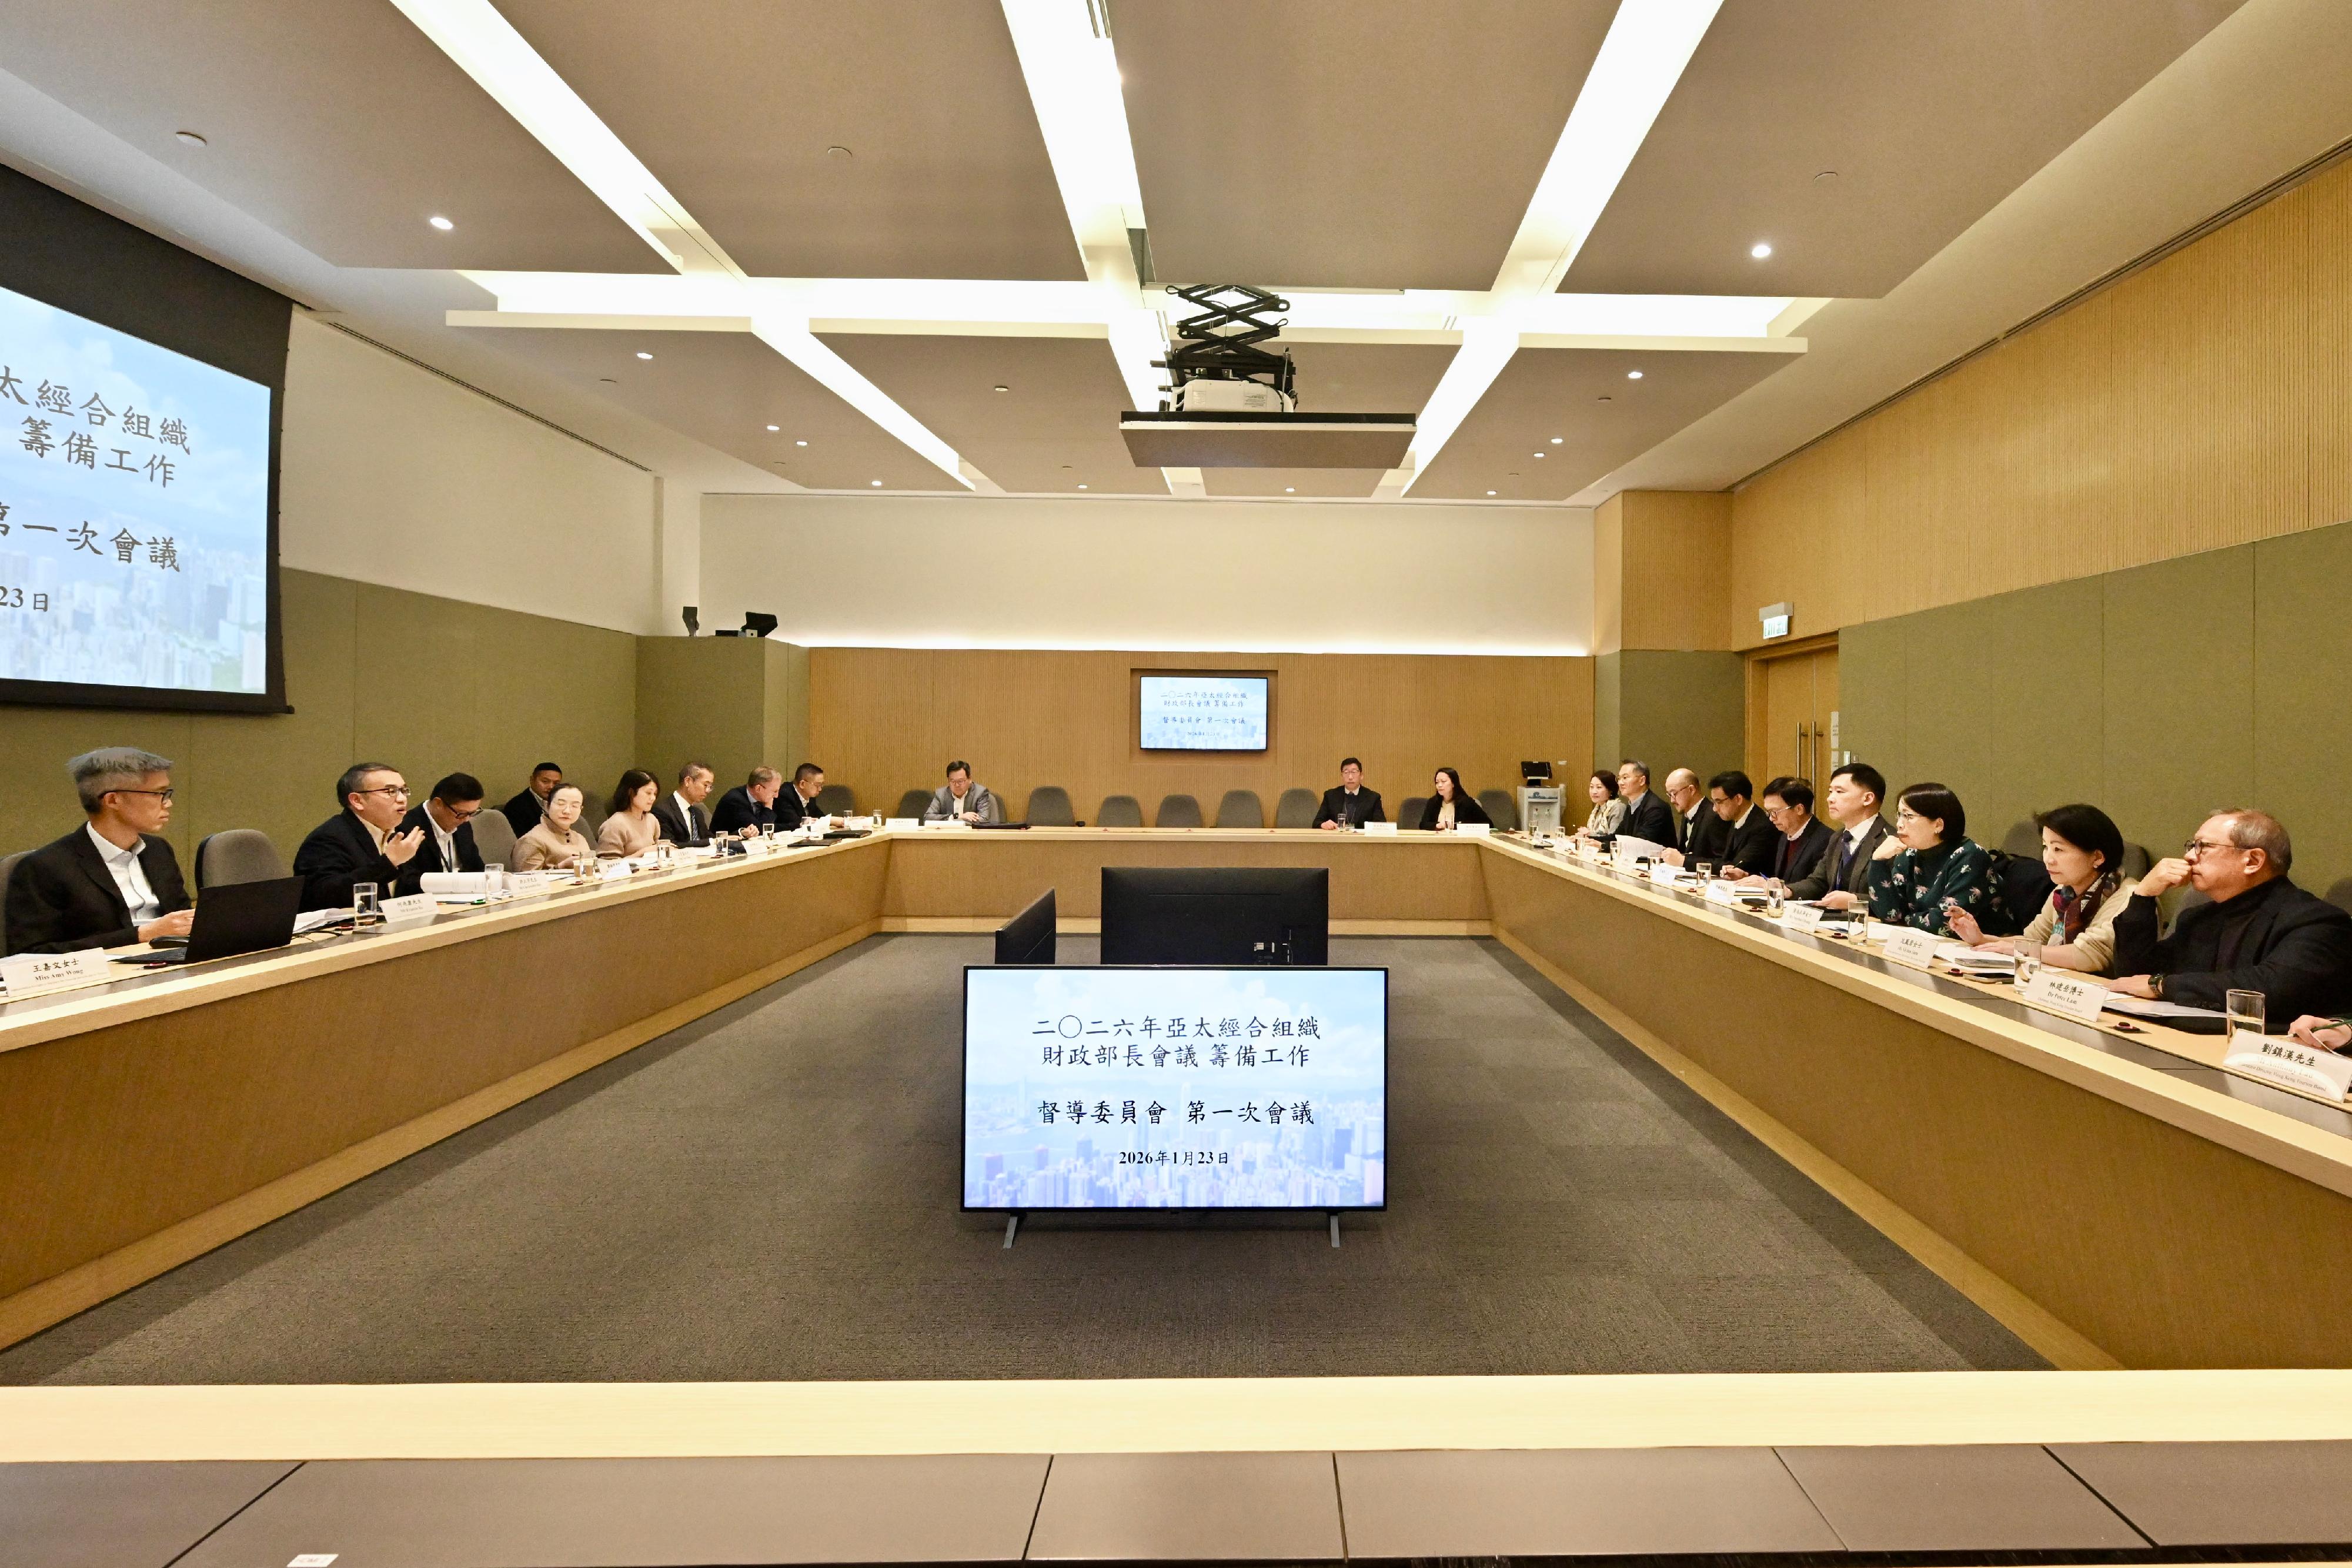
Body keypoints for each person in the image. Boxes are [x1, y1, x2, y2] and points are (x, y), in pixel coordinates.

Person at [2106, 810, 2352, 1018]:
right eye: (2192, 846)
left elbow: (2271, 989)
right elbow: (2132, 976)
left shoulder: (2317, 920)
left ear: (2253, 860)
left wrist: (2162, 985)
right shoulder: (2199, 918)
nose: (2189, 856)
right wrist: (2144, 896)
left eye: (2204, 847)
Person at [4, 747, 194, 955]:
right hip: (101, 978)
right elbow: (32, 953)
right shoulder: (44, 868)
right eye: (158, 793)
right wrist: (140, 934)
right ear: (113, 800)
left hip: (171, 962)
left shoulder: (158, 850)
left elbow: (183, 917)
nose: (168, 802)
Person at [1949, 803, 2129, 974]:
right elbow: (2033, 940)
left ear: (2097, 857)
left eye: (2058, 849)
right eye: (2046, 847)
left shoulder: (2128, 897)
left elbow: (2089, 955)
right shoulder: (2064, 892)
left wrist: (2019, 949)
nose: (2048, 859)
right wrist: (1982, 939)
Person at [1865, 781, 1995, 935]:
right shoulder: (1909, 853)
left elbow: (1945, 923)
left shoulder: (1970, 856)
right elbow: (1891, 915)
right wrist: (1878, 862)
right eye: (1899, 815)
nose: (1899, 824)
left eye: (1908, 816)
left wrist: (1905, 918)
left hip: (1979, 951)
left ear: (1938, 825)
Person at [292, 763, 427, 911]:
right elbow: (323, 896)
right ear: (357, 801)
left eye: (403, 790)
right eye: (391, 791)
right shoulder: (328, 838)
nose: (402, 799)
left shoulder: (397, 834)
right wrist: (389, 863)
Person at [1786, 761, 1892, 908]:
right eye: (1831, 792)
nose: (1830, 799)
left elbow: (1896, 901)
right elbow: (1819, 882)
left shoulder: (1889, 840)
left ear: (1868, 799)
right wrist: (1787, 891)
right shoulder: (1838, 837)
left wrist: (1855, 900)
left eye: (1840, 792)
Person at [392, 773, 487, 895]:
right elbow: (407, 882)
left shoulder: (463, 824)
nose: (466, 820)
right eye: (461, 813)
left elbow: (477, 868)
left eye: (472, 813)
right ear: (438, 804)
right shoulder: (405, 827)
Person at [1726, 776, 1830, 885]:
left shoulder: (1825, 839)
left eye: (1775, 811)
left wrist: (1771, 885)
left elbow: (1815, 888)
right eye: (1769, 812)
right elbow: (1778, 879)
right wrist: (1746, 876)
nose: (1771, 818)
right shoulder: (1783, 836)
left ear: (1799, 809)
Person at [510, 784, 594, 872]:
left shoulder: (580, 838)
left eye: (575, 806)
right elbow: (526, 881)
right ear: (547, 806)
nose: (567, 811)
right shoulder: (532, 840)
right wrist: (560, 867)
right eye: (561, 804)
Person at [597, 770, 663, 858]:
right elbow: (608, 866)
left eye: (655, 794)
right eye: (648, 793)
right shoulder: (615, 824)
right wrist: (644, 852)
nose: (653, 798)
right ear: (631, 793)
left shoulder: (652, 820)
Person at [1612, 759, 1675, 848]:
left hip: (1656, 861)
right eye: (1619, 778)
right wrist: (1592, 840)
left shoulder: (1656, 808)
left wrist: (1604, 845)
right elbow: (1618, 837)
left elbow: (1641, 843)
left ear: (1642, 781)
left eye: (1625, 778)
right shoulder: (1631, 806)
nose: (1620, 783)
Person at [652, 762, 714, 847]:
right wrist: (711, 842)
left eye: (710, 787)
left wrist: (726, 839)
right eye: (705, 785)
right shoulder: (662, 810)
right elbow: (670, 845)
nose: (707, 791)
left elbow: (709, 838)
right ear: (688, 781)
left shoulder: (697, 812)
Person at [1314, 758, 1385, 830]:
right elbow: (1317, 822)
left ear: (1361, 775)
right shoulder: (1330, 796)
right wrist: (1323, 824)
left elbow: (1381, 825)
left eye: (1354, 772)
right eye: (1346, 772)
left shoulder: (1373, 798)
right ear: (1342, 776)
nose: (1350, 777)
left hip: (1362, 839)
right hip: (1337, 839)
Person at [925, 760, 1003, 824]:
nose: (957, 785)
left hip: (972, 839)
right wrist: (957, 817)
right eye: (953, 781)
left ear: (970, 779)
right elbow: (927, 818)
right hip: (947, 838)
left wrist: (954, 822)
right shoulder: (941, 794)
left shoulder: (980, 793)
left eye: (960, 781)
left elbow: (983, 819)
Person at [711, 767, 783, 836]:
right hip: (722, 845)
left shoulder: (763, 799)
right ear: (758, 789)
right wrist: (768, 808)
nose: (776, 796)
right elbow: (759, 832)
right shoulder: (735, 800)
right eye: (775, 791)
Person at [1416, 768, 1492, 831]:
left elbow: (1489, 825)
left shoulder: (1467, 803)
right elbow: (1423, 825)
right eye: (1437, 782)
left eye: (1443, 782)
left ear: (1453, 784)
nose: (1439, 785)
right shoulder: (1433, 802)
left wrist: (1460, 827)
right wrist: (1437, 825)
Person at [502, 763, 563, 839]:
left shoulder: (561, 804)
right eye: (545, 781)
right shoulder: (516, 806)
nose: (551, 787)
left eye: (556, 783)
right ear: (532, 780)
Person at [777, 763, 837, 833]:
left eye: (822, 785)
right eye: (818, 785)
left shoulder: (809, 795)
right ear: (802, 784)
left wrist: (829, 820)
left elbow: (818, 816)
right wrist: (830, 820)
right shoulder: (784, 795)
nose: (820, 789)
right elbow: (797, 824)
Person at [1580, 770, 1625, 837]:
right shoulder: (1598, 808)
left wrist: (1589, 834)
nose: (1594, 792)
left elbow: (1614, 838)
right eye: (1592, 787)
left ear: (1611, 790)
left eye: (1599, 787)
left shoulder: (1618, 808)